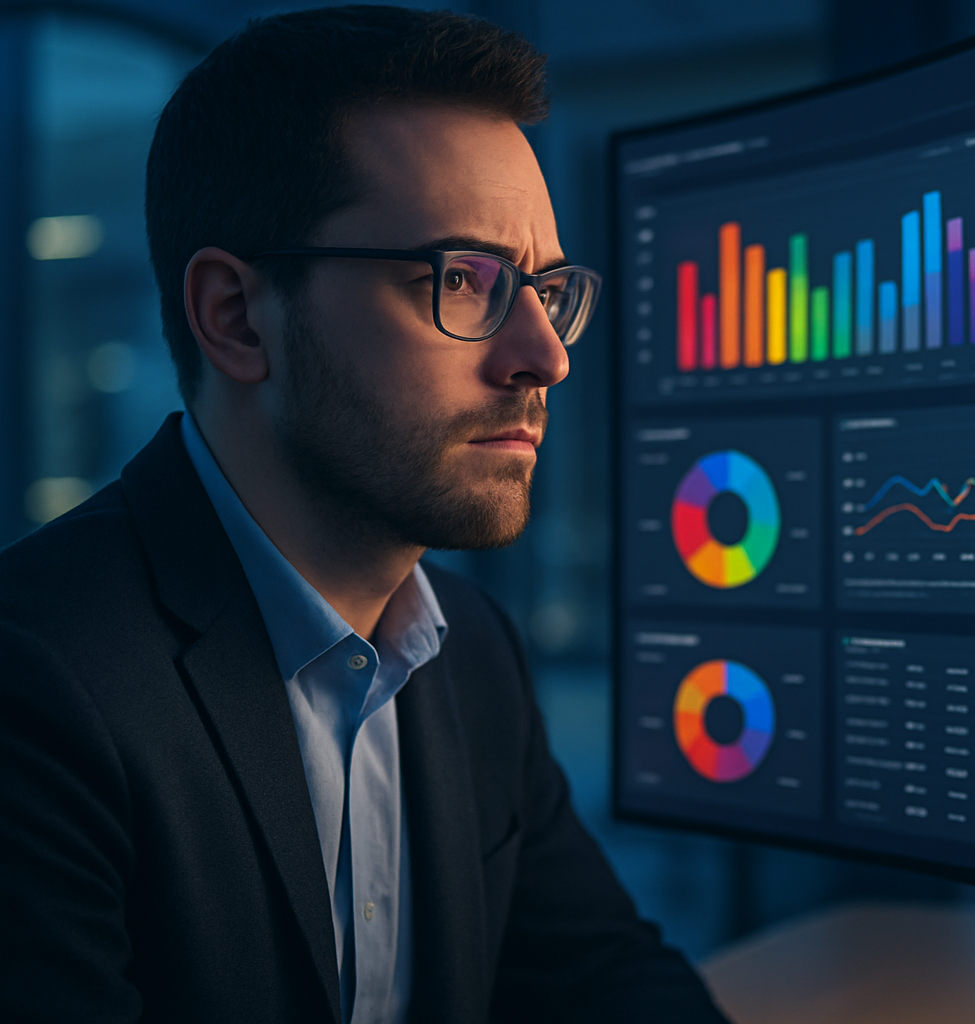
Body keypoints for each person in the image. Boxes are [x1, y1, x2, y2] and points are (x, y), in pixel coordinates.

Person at [0, 7, 730, 1023]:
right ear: (237, 316)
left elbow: (603, 977)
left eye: (549, 290)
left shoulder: (472, 652)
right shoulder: (36, 681)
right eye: (464, 279)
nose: (545, 356)